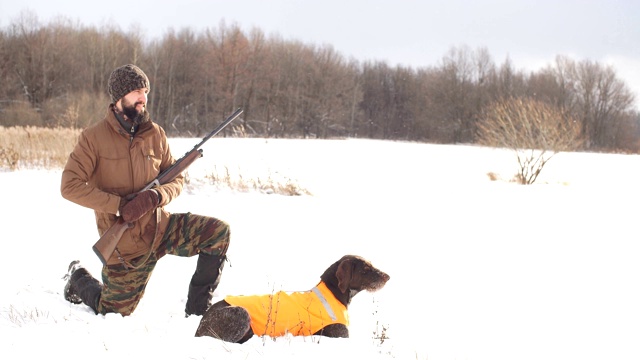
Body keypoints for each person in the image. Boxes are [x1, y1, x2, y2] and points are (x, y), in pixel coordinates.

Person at [60, 64, 230, 317]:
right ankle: (79, 279)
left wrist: (156, 196)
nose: (143, 98)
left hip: (161, 228)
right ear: (119, 97)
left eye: (145, 91)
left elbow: (176, 178)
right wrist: (119, 205)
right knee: (113, 312)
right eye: (137, 91)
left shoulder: (155, 134)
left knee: (217, 233)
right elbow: (69, 186)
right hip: (126, 247)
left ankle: (197, 312)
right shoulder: (93, 138)